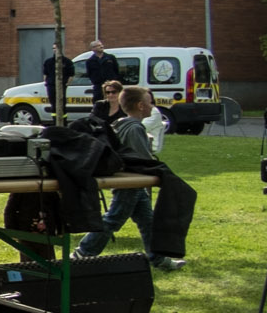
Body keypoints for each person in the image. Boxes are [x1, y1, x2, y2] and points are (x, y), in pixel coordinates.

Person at [75, 85, 187, 271]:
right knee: (113, 219)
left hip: (132, 182)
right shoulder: (135, 128)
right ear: (141, 105)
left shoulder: (124, 123)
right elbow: (141, 159)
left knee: (147, 221)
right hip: (131, 182)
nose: (153, 106)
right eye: (150, 102)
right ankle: (82, 254)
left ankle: (158, 259)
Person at [41, 44, 76, 124]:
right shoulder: (48, 62)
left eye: (56, 48)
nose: (55, 50)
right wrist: (47, 83)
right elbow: (45, 74)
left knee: (62, 105)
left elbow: (71, 75)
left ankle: (63, 123)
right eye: (53, 48)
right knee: (53, 105)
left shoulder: (67, 62)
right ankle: (55, 122)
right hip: (51, 86)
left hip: (62, 86)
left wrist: (66, 84)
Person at [83, 39, 119, 105]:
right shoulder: (90, 61)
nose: (101, 46)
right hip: (98, 87)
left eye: (101, 45)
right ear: (93, 48)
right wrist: (96, 80)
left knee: (112, 103)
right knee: (98, 103)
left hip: (111, 85)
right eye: (98, 45)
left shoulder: (110, 58)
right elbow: (90, 74)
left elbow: (116, 70)